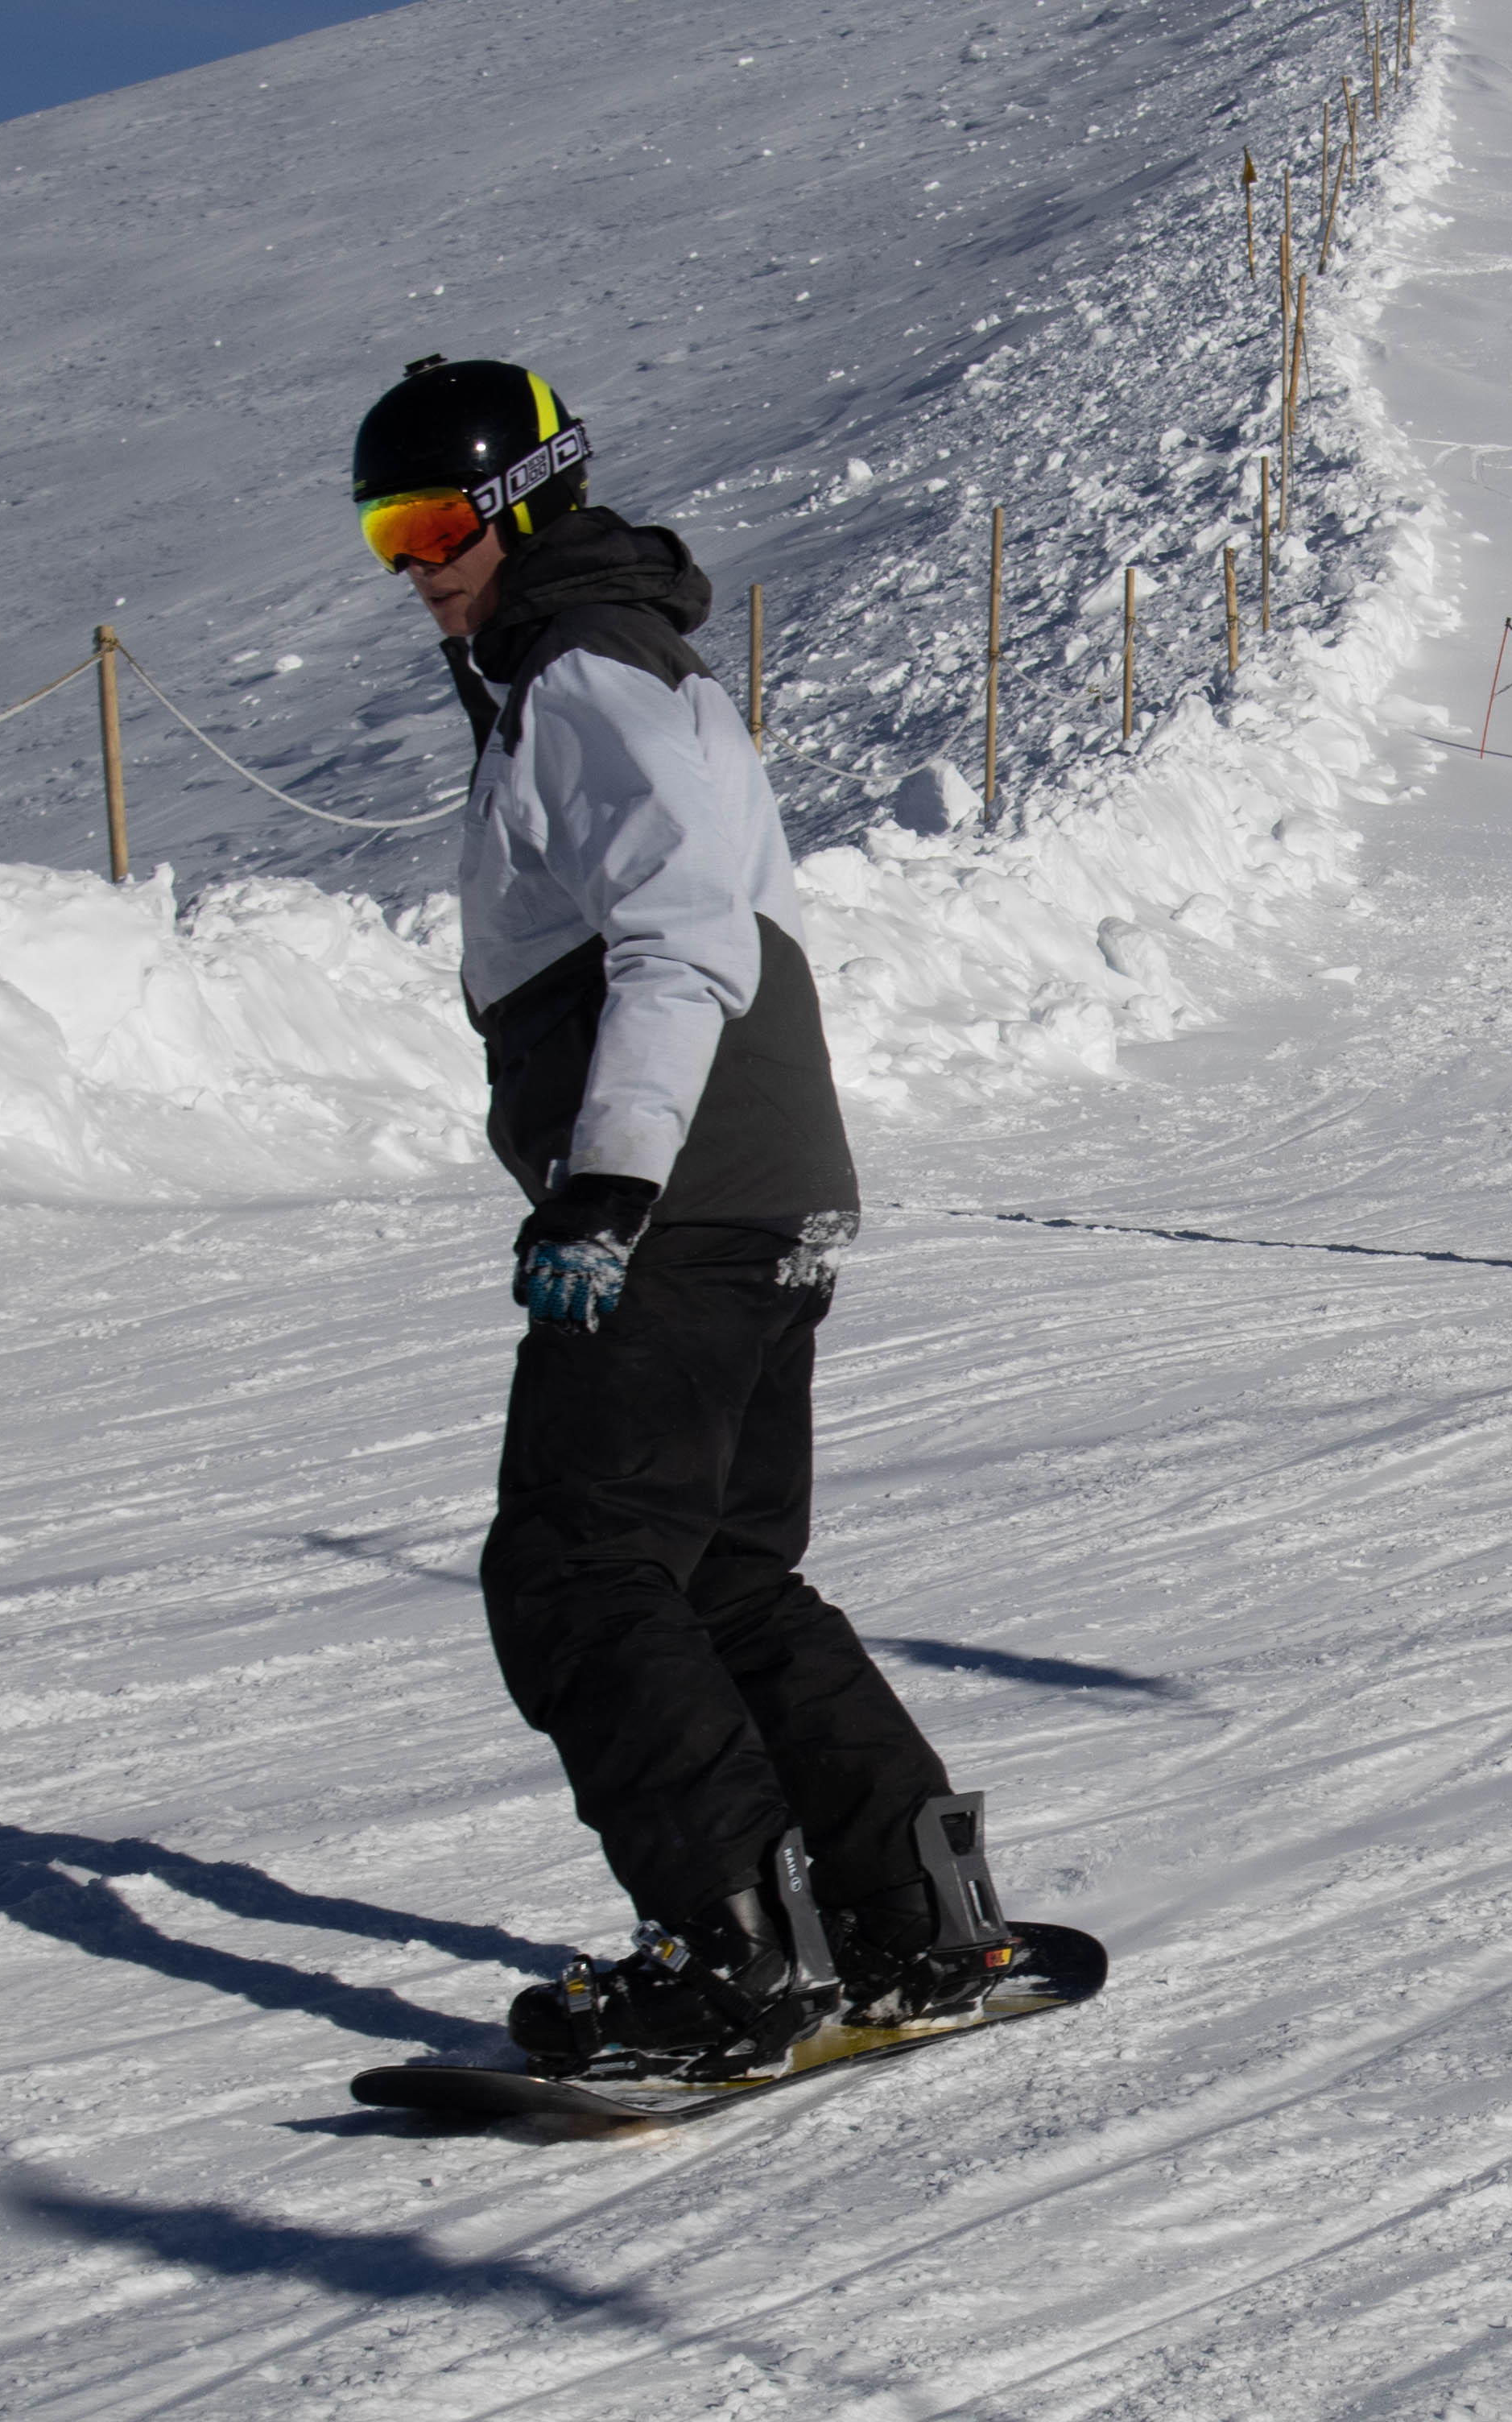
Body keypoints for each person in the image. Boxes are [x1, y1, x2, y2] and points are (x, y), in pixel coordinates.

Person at [351, 355, 1014, 2081]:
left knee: (576, 1567)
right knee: (720, 1568)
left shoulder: (583, 675)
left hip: (683, 1195)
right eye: (381, 535)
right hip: (758, 1182)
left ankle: (731, 1952)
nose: (410, 568)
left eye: (429, 527)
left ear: (519, 507)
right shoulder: (606, 663)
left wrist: (609, 1180)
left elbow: (684, 928)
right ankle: (910, 1909)